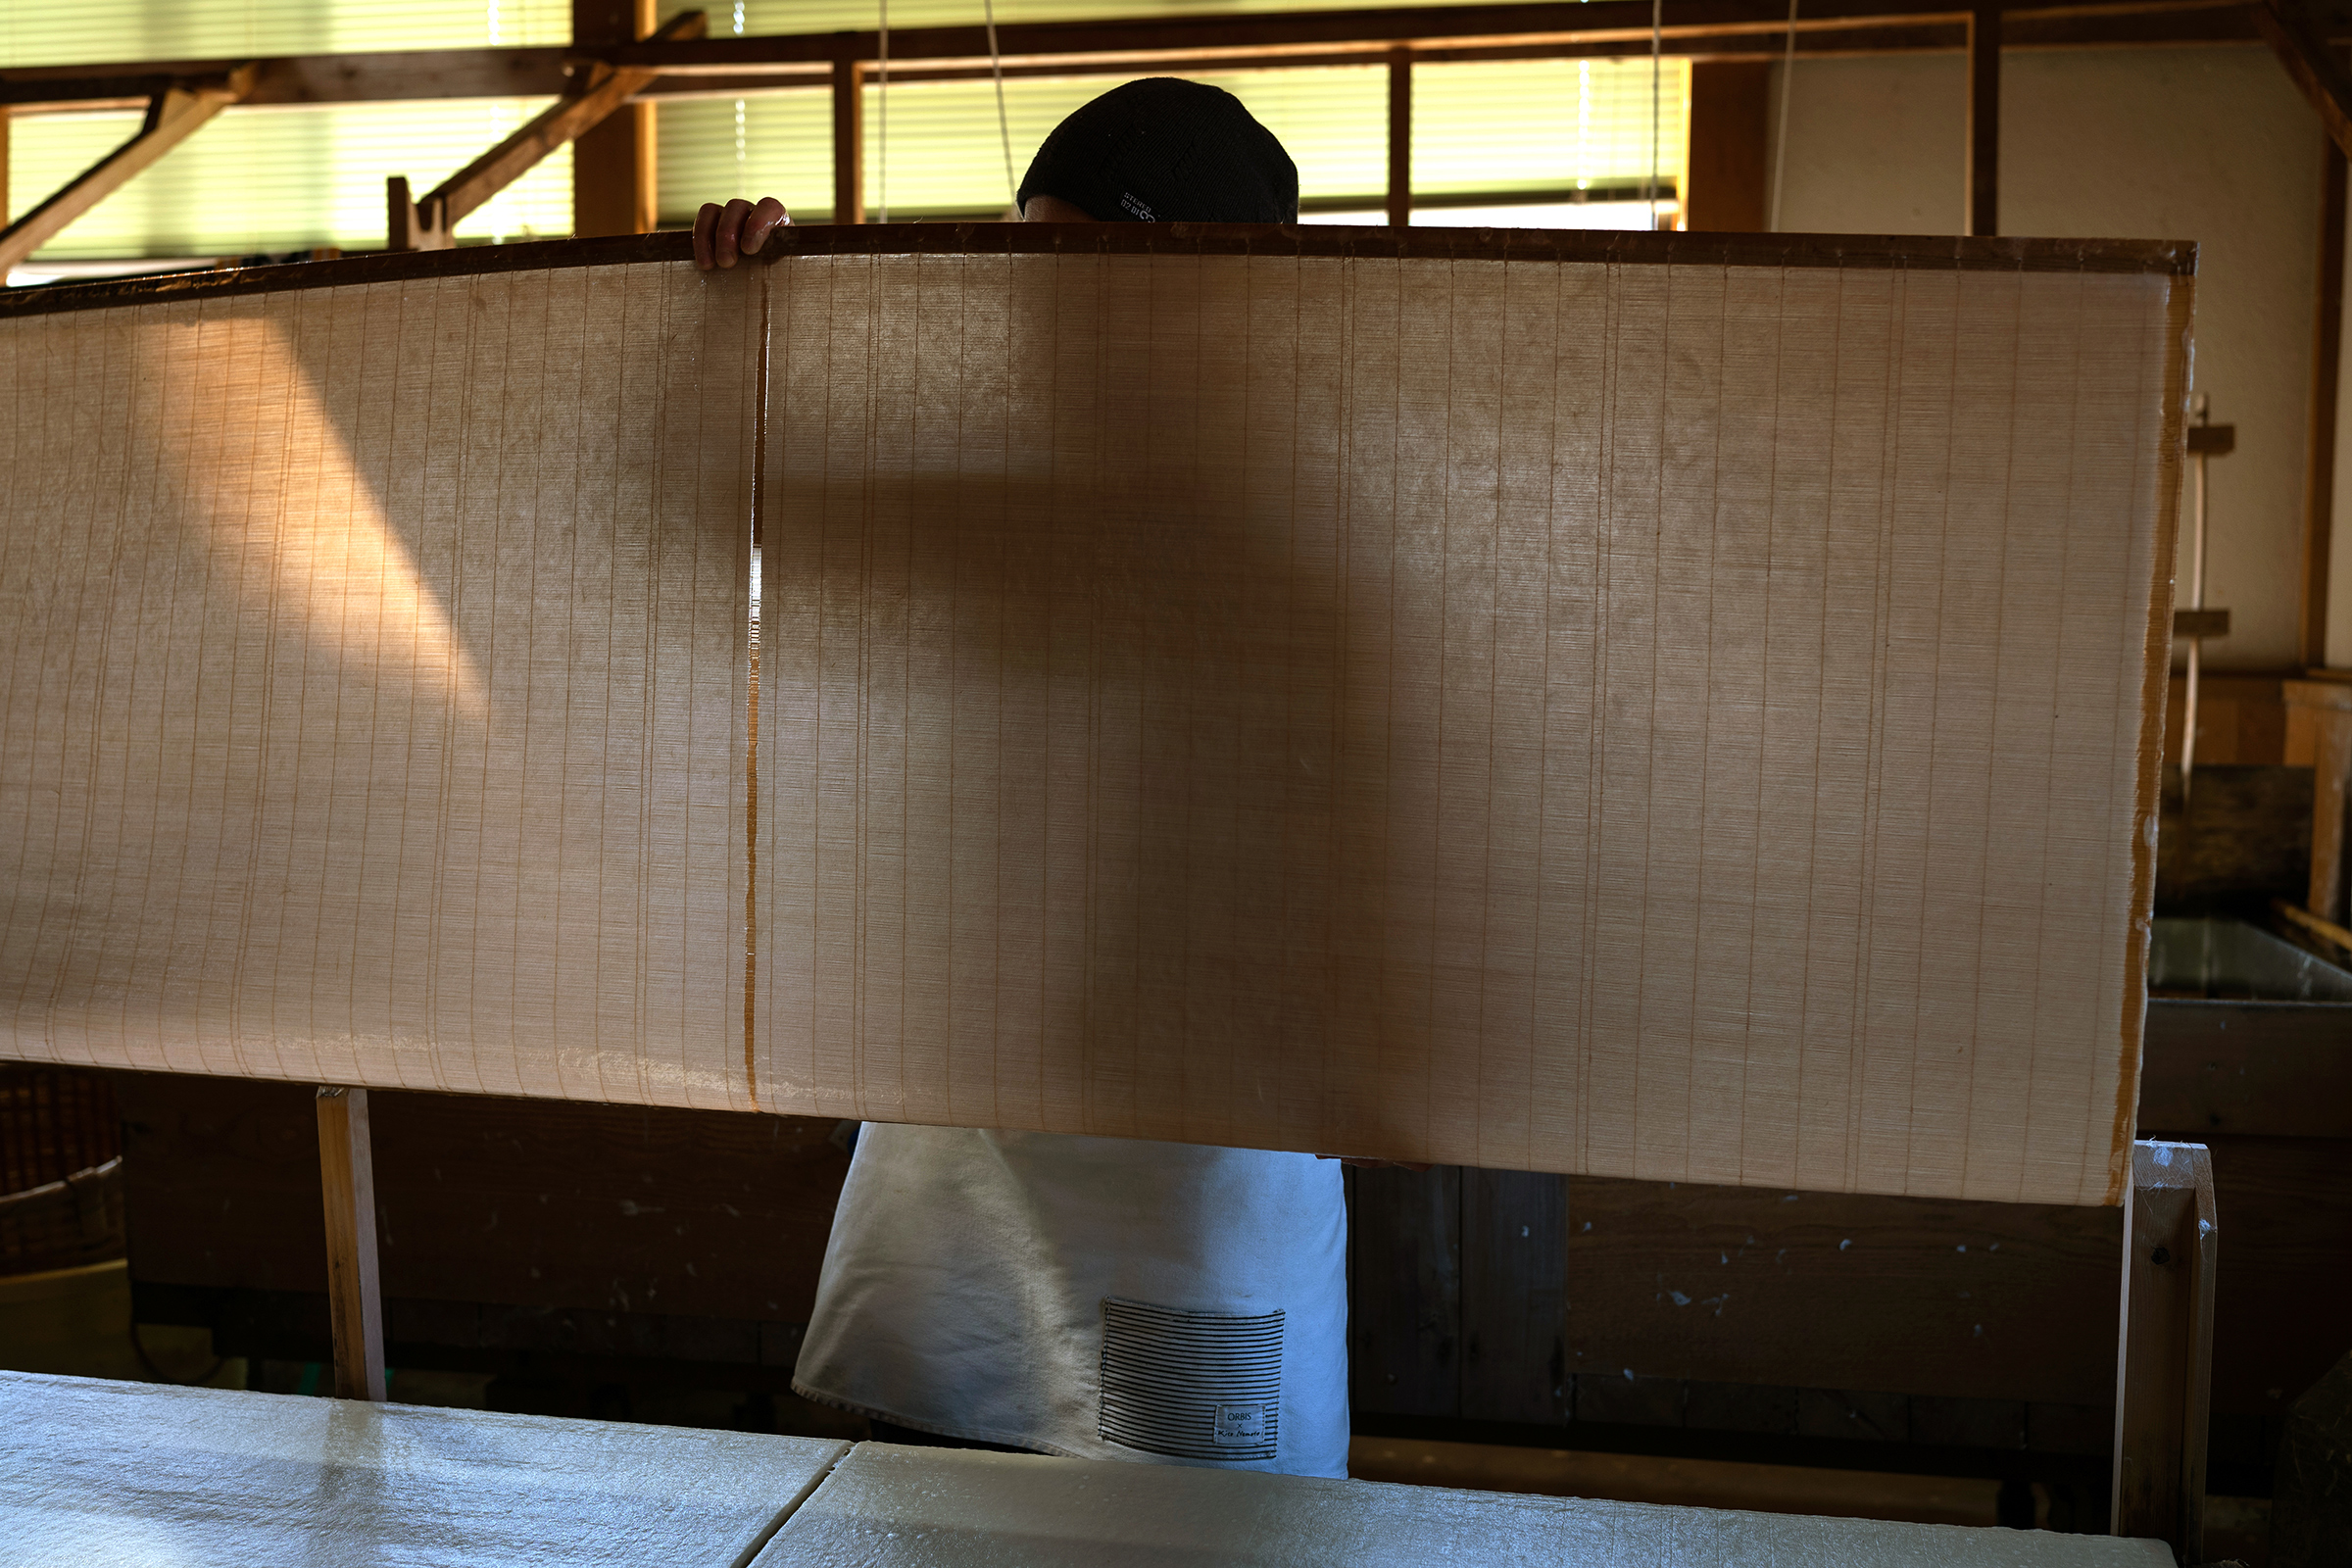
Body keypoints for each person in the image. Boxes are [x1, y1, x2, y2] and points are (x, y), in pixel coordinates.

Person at [693, 79, 1358, 1480]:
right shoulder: (996, 503)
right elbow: (707, 520)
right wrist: (745, 324)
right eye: (1034, 268)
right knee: (917, 1508)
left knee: (1190, 1535)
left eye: (1087, 272)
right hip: (963, 1143)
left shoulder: (1310, 538)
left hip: (1191, 1163)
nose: (1046, 315)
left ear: (1206, 292)